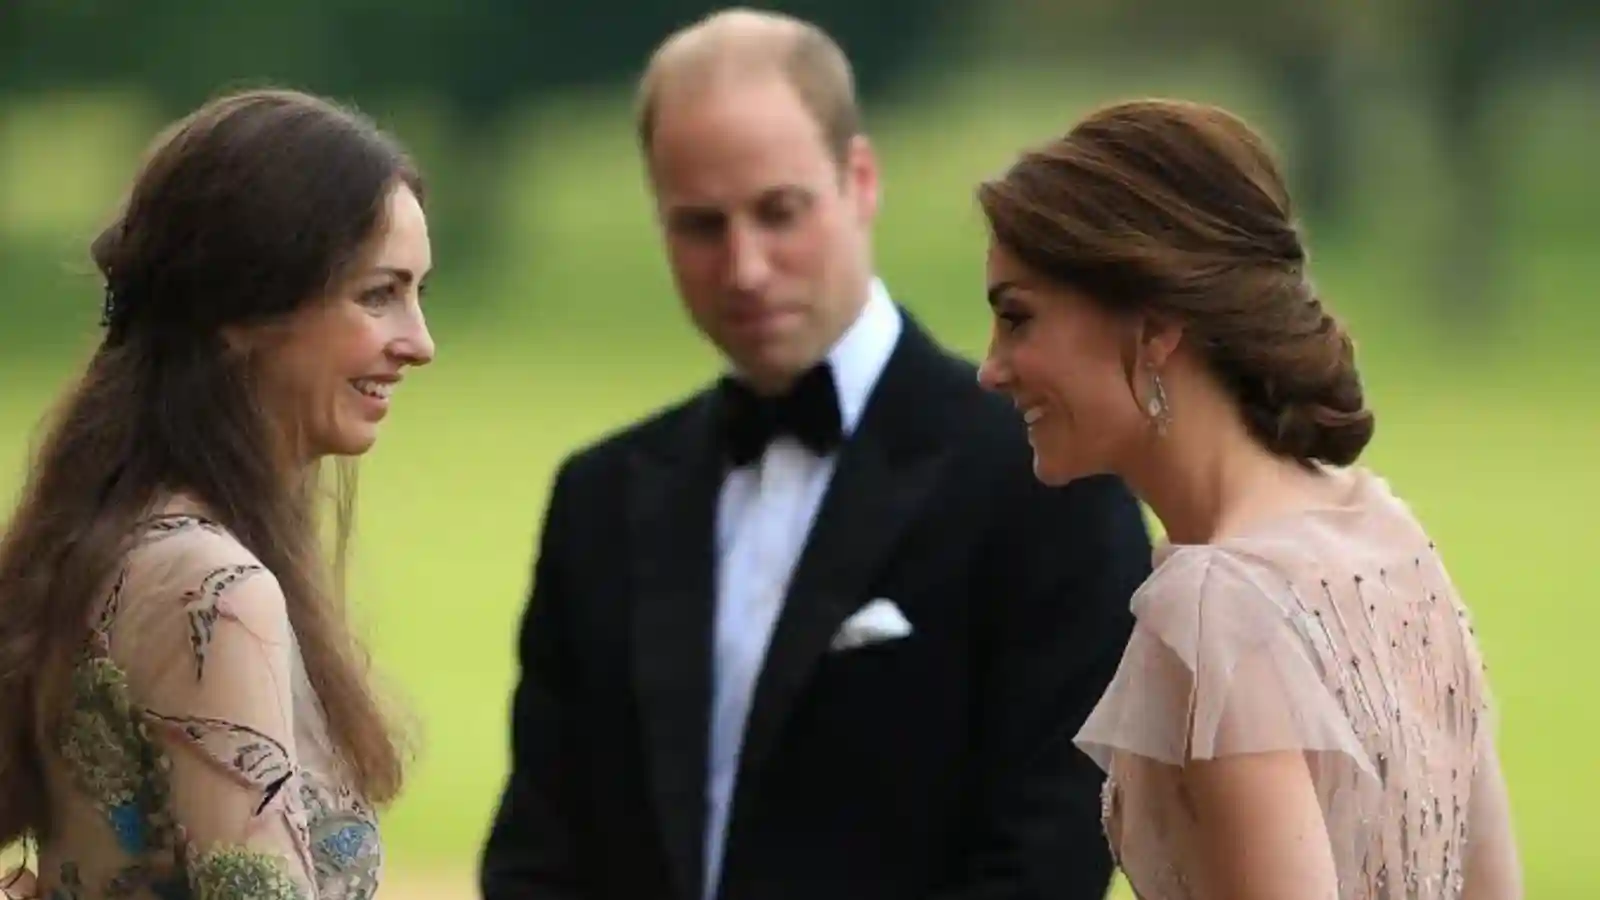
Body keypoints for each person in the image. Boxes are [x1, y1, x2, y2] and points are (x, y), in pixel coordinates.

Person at [477, 9, 1152, 900]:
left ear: (859, 179)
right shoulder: (598, 497)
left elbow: (1047, 855)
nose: (745, 266)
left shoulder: (1045, 479)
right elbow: (539, 851)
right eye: (699, 226)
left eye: (778, 212)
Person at [974, 98, 1523, 899]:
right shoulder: (1382, 529)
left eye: (1017, 319)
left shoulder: (1216, 606)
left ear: (1155, 327)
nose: (992, 368)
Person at [0, 88, 435, 900]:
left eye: (418, 293)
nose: (419, 343)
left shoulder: (113, 535)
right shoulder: (211, 587)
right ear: (240, 313)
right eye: (378, 294)